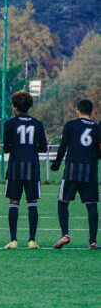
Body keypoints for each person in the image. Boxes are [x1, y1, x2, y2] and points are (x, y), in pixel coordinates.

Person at [51, 99, 99, 250]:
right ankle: (92, 241)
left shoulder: (71, 125)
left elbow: (63, 146)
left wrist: (56, 163)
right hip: (90, 171)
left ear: (77, 110)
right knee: (92, 205)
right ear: (92, 112)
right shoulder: (97, 127)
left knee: (63, 202)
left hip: (72, 170)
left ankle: (65, 234)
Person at [2, 91, 48, 249]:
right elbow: (43, 148)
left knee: (14, 202)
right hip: (32, 166)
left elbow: (6, 148)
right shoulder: (37, 123)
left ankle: (13, 240)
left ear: (14, 107)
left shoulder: (9, 124)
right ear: (29, 107)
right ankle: (32, 240)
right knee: (32, 202)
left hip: (15, 166)